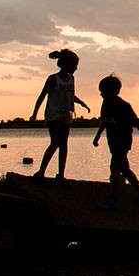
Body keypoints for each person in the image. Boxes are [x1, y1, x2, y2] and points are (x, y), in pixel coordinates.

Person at [29, 49, 90, 187]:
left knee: (64, 145)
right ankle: (40, 172)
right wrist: (34, 113)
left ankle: (61, 175)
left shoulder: (72, 79)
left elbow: (70, 95)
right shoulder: (53, 78)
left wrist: (81, 103)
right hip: (54, 113)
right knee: (55, 142)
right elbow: (42, 95)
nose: (76, 68)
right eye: (74, 65)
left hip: (66, 114)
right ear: (66, 64)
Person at [92, 74, 139, 210]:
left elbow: (137, 122)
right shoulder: (105, 104)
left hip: (122, 142)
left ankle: (113, 199)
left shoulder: (124, 106)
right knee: (124, 169)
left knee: (114, 168)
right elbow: (105, 121)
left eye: (103, 91)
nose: (101, 94)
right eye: (100, 91)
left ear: (114, 91)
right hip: (112, 142)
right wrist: (97, 136)